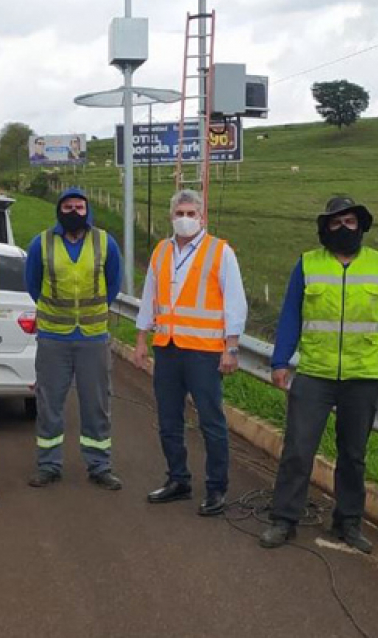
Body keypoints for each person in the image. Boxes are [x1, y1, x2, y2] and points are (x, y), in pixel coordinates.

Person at [259, 196, 378, 553]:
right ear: (325, 228)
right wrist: (280, 361)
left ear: (361, 225)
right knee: (298, 448)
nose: (344, 228)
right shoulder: (308, 264)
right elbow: (291, 315)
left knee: (353, 455)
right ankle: (285, 519)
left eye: (350, 222)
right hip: (315, 373)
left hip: (363, 375)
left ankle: (348, 522)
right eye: (336, 223)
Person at [132, 189, 247, 516]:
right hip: (167, 348)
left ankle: (216, 488)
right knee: (168, 419)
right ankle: (177, 479)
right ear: (171, 217)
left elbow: (234, 302)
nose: (185, 219)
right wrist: (141, 340)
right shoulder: (161, 251)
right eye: (179, 213)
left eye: (191, 213)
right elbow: (148, 297)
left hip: (204, 351)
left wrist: (231, 347)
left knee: (211, 421)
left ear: (202, 217)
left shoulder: (220, 252)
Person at [24, 187, 124, 490]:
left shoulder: (105, 242)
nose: (73, 212)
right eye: (67, 207)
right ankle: (49, 465)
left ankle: (99, 465)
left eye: (79, 207)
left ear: (87, 210)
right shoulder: (40, 243)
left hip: (93, 337)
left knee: (96, 404)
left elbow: (113, 283)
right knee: (49, 403)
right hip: (53, 337)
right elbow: (32, 284)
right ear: (59, 211)